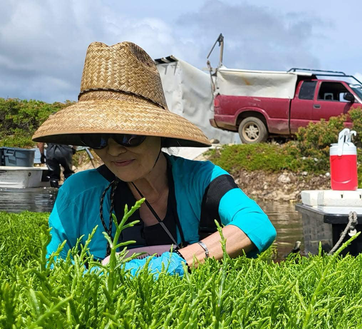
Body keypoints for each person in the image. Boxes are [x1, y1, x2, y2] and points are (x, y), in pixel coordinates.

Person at [33, 41, 276, 275]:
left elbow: (256, 224)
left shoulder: (204, 180)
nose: (114, 150)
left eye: (129, 136)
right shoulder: (77, 195)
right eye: (99, 138)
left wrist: (175, 263)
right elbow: (55, 275)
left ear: (158, 135)